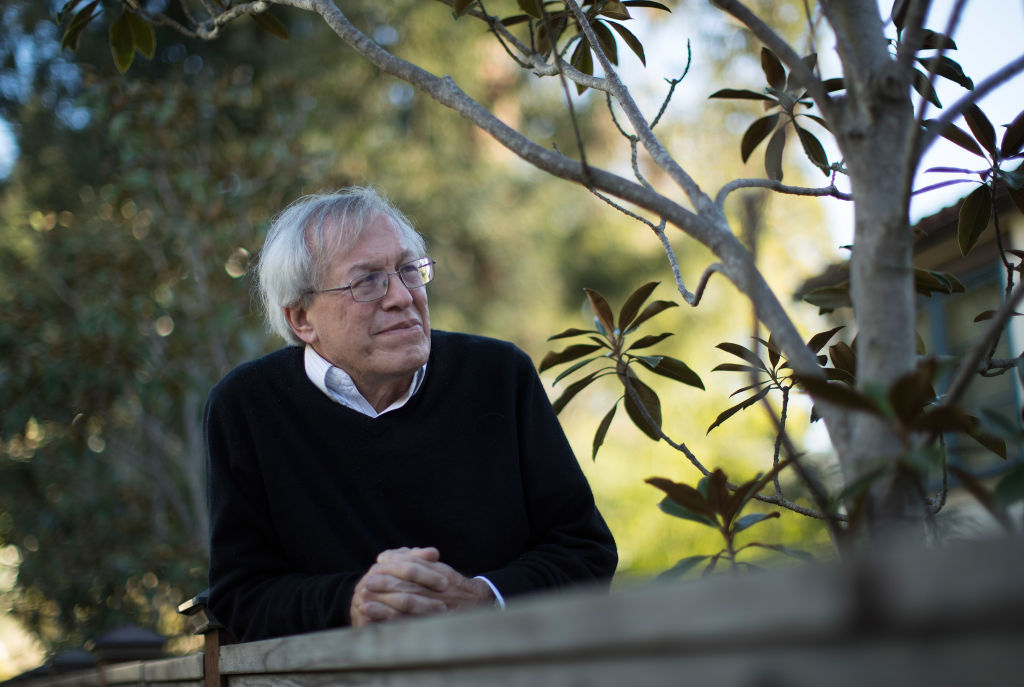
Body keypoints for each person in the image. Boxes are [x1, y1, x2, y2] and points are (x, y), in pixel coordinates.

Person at [205, 187, 617, 641]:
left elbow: (585, 551)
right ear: (302, 318)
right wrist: (353, 602)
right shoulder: (247, 407)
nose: (401, 297)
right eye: (367, 281)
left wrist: (483, 598)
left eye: (408, 271)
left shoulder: (498, 376)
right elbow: (240, 597)